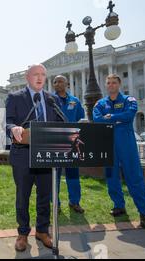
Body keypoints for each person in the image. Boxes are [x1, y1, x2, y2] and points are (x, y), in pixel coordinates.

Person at [6, 64, 64, 252]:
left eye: (43, 75)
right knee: (23, 196)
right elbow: (7, 121)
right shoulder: (15, 97)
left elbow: (60, 122)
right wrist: (13, 128)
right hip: (23, 154)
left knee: (45, 195)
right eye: (35, 74)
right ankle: (23, 233)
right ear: (27, 77)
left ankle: (42, 230)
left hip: (47, 155)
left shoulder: (51, 99)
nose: (40, 78)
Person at [93, 74, 145, 229]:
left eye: (114, 82)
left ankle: (144, 213)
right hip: (108, 143)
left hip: (126, 144)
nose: (111, 85)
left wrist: (111, 117)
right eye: (108, 83)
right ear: (106, 85)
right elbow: (97, 119)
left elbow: (129, 115)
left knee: (134, 176)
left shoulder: (129, 100)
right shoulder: (100, 103)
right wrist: (117, 119)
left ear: (119, 84)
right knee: (111, 176)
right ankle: (119, 205)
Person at [53, 75, 86, 214]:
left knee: (73, 174)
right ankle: (56, 204)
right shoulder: (50, 101)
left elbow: (79, 117)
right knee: (55, 175)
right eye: (55, 82)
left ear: (67, 84)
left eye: (60, 81)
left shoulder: (75, 101)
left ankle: (75, 202)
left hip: (72, 142)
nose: (57, 83)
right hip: (55, 141)